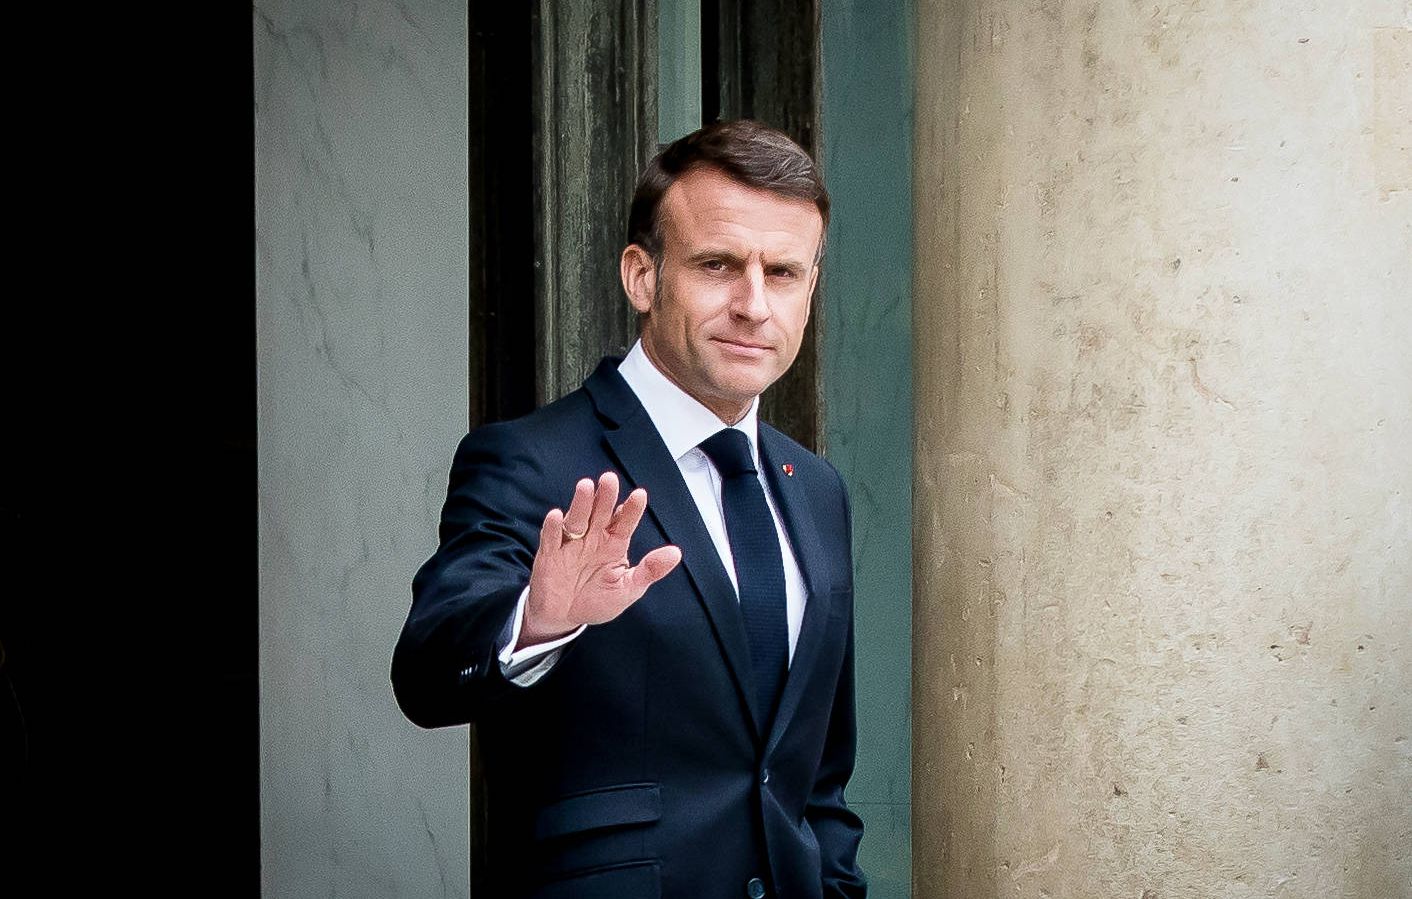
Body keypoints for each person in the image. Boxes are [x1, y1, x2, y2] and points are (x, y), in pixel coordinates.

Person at [392, 119, 866, 899]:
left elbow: (818, 779)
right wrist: (535, 622)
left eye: (782, 273)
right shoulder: (531, 459)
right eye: (718, 264)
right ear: (642, 276)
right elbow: (425, 674)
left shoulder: (817, 489)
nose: (754, 305)